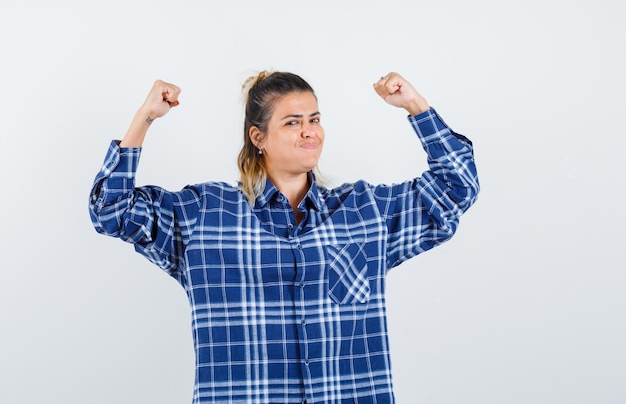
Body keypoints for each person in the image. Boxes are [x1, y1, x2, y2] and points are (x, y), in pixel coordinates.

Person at [89, 71, 479, 404]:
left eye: (314, 119)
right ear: (259, 137)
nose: (309, 132)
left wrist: (415, 105)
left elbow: (456, 188)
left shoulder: (363, 211)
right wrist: (145, 118)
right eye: (292, 122)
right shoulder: (204, 215)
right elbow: (111, 209)